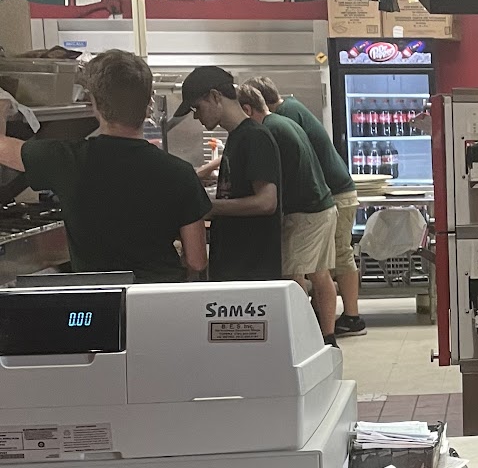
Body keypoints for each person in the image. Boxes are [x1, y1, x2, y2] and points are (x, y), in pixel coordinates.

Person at [0, 48, 209, 280]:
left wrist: (3, 104)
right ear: (149, 104)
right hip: (156, 295)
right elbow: (197, 261)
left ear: (94, 104)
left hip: (98, 296)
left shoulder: (66, 160)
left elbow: (2, 148)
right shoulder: (181, 173)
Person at [250, 75, 366, 337]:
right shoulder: (291, 108)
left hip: (332, 193)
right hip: (332, 192)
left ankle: (350, 317)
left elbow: (290, 159)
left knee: (332, 258)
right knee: (325, 264)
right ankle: (327, 323)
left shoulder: (282, 118)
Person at [236, 83, 338, 343]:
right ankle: (327, 337)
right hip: (321, 206)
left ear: (247, 110)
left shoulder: (269, 131)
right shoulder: (281, 122)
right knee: (319, 274)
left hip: (306, 213)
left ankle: (304, 339)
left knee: (293, 276)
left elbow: (272, 183)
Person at [175, 65, 283, 283]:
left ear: (215, 96)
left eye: (197, 108)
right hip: (235, 264)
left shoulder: (255, 137)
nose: (196, 116)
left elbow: (266, 202)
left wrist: (208, 207)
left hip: (251, 269)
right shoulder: (236, 137)